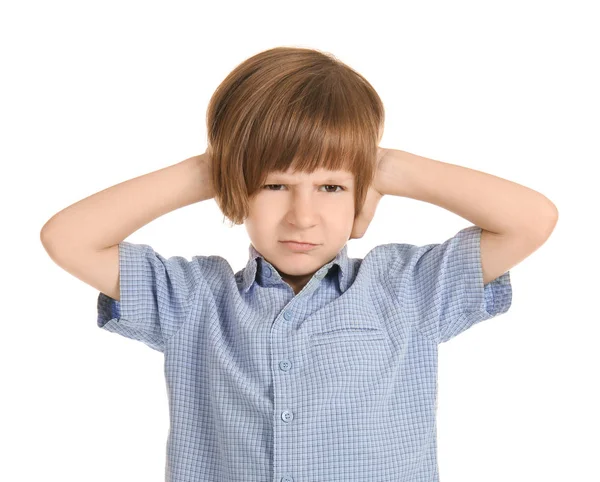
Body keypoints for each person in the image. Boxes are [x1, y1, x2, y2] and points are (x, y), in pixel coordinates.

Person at [39, 46, 558, 482]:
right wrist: (215, 165)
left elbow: (532, 220)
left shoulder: (408, 289)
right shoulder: (193, 299)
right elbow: (67, 238)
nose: (302, 217)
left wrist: (386, 165)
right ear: (237, 189)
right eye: (274, 185)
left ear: (362, 193)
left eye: (331, 187)